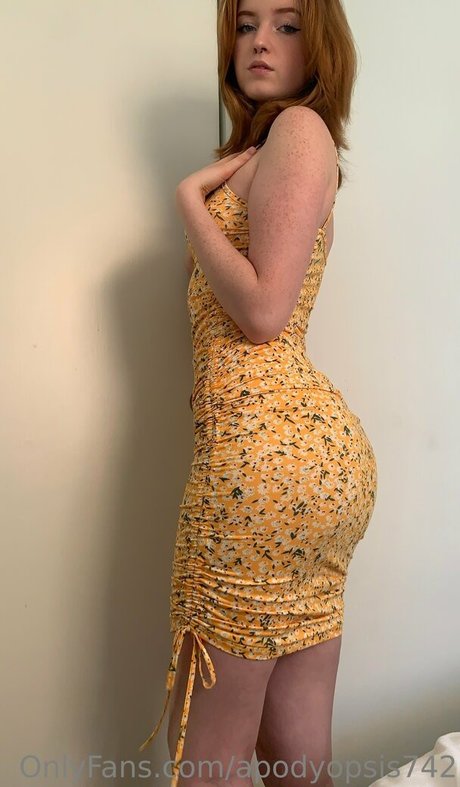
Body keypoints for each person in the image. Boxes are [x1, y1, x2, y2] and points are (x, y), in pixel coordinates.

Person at [139, 1, 378, 785]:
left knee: (205, 761)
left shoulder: (298, 133)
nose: (260, 43)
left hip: (262, 463)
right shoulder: (266, 151)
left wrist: (188, 204)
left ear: (321, 45)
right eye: (246, 25)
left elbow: (265, 311)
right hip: (306, 466)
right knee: (294, 750)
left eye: (286, 25)